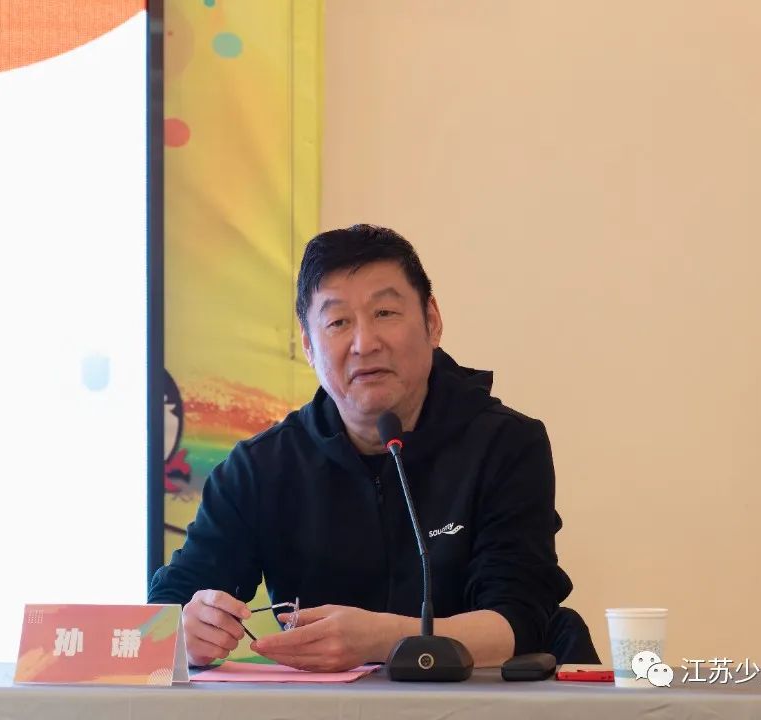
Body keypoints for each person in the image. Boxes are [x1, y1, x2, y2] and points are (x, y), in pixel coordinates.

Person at [148, 224, 582, 672]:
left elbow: (518, 623)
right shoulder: (262, 467)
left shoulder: (505, 444)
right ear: (309, 347)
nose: (364, 343)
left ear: (432, 321)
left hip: (480, 701)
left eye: (385, 313)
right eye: (338, 322)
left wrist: (381, 640)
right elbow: (163, 614)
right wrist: (189, 629)